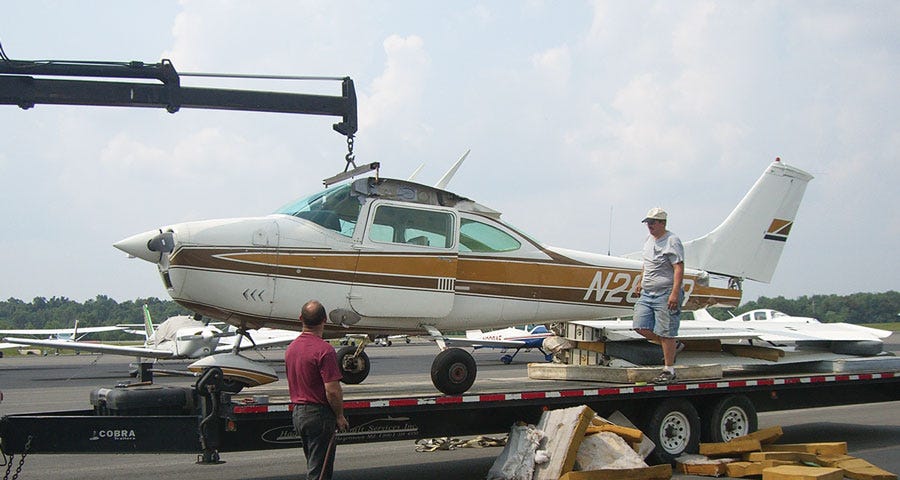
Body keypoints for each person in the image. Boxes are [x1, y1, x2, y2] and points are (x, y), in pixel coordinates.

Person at [285, 300, 349, 480]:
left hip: (299, 413)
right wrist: (339, 415)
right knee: (320, 472)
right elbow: (332, 390)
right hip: (318, 414)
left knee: (313, 462)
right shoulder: (324, 350)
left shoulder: (292, 348)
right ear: (325, 320)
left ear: (300, 319)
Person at [633, 207, 685, 384]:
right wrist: (640, 281)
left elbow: (678, 267)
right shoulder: (648, 240)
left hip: (665, 292)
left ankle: (669, 370)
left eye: (653, 222)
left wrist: (674, 293)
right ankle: (672, 345)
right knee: (640, 325)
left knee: (666, 331)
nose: (649, 226)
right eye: (647, 223)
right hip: (648, 292)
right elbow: (646, 264)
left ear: (662, 223)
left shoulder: (672, 240)